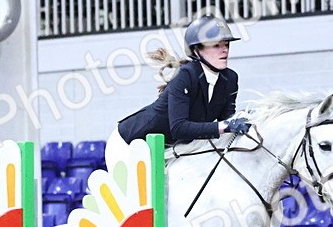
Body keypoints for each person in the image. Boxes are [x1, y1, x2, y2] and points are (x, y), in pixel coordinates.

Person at [107, 15, 250, 164]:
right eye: (216, 46)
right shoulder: (185, 76)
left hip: (171, 149)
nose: (225, 51)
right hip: (129, 143)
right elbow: (179, 127)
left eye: (226, 45)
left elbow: (227, 121)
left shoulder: (230, 79)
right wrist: (226, 126)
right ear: (196, 51)